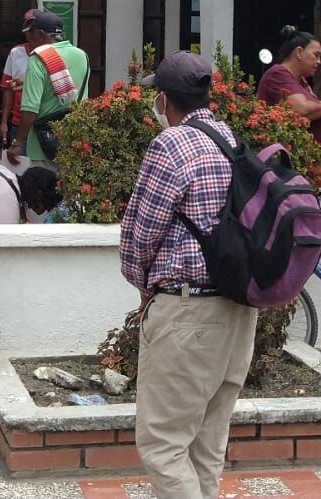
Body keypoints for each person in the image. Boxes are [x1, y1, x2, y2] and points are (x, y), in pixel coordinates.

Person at [119, 52, 257, 499]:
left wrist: (142, 287)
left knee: (162, 445)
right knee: (205, 444)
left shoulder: (171, 144)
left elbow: (142, 233)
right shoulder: (228, 137)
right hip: (237, 313)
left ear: (162, 98)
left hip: (188, 313)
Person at [257, 27, 321, 189]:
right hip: (303, 165)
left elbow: (312, 108)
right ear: (299, 53)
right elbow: (301, 110)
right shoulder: (277, 74)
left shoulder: (302, 81)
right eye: (316, 55)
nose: (319, 61)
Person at [6, 9, 88, 168]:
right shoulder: (82, 55)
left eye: (30, 35)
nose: (28, 40)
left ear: (41, 34)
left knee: (43, 190)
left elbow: (30, 108)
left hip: (43, 145)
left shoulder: (38, 58)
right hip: (73, 141)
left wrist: (17, 143)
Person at [0, 12, 33, 145]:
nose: (30, 34)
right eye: (28, 30)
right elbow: (7, 88)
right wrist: (4, 123)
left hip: (43, 123)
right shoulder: (16, 53)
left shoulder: (50, 55)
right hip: (19, 122)